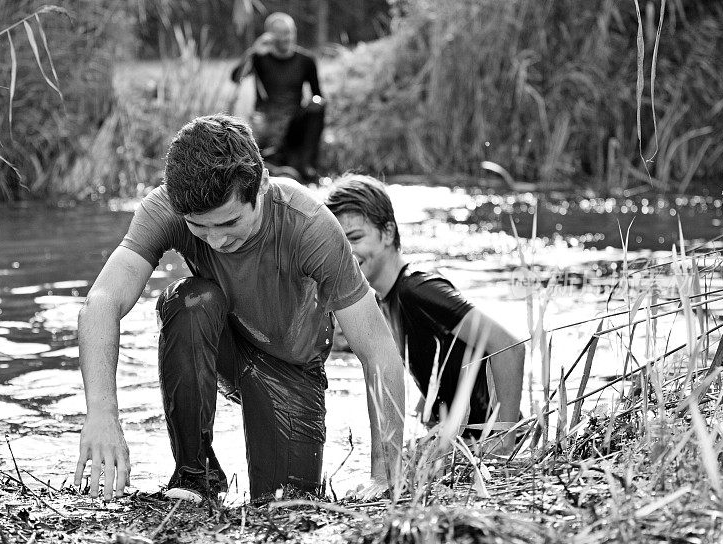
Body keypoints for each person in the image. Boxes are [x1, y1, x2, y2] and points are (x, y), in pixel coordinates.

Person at [73, 115, 405, 503]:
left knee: (285, 504)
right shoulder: (166, 209)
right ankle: (196, 478)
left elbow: (378, 350)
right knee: (190, 300)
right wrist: (101, 414)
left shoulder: (310, 225)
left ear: (261, 185)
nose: (215, 240)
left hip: (292, 370)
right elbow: (101, 303)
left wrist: (386, 476)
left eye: (229, 222)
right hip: (223, 345)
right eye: (200, 227)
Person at [325, 174, 525, 450]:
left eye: (356, 237)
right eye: (339, 243)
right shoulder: (385, 298)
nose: (348, 252)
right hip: (464, 443)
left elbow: (509, 347)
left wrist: (505, 443)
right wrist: (428, 411)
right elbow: (443, 354)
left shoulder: (417, 290)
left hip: (487, 445)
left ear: (388, 233)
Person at [231, 12, 325, 182]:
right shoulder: (260, 58)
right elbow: (236, 77)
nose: (286, 38)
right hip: (266, 121)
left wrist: (314, 103)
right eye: (280, 34)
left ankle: (308, 165)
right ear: (270, 36)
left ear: (294, 32)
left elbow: (318, 94)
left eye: (288, 32)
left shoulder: (306, 61)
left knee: (318, 108)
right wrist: (253, 51)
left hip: (294, 120)